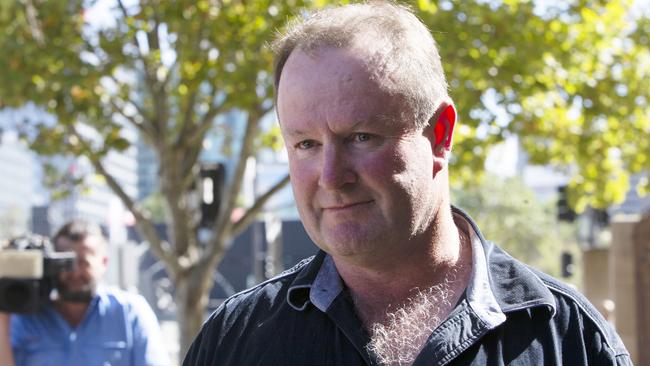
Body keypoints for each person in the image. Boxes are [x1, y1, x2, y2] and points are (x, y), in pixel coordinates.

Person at [183, 2, 631, 365]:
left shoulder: (567, 339)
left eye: (361, 137)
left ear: (439, 134)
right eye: (305, 145)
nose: (331, 177)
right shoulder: (235, 340)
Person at [0, 220, 169, 366]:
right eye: (65, 263)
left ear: (104, 262)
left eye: (83, 263)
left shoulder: (129, 313)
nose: (74, 273)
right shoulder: (25, 318)